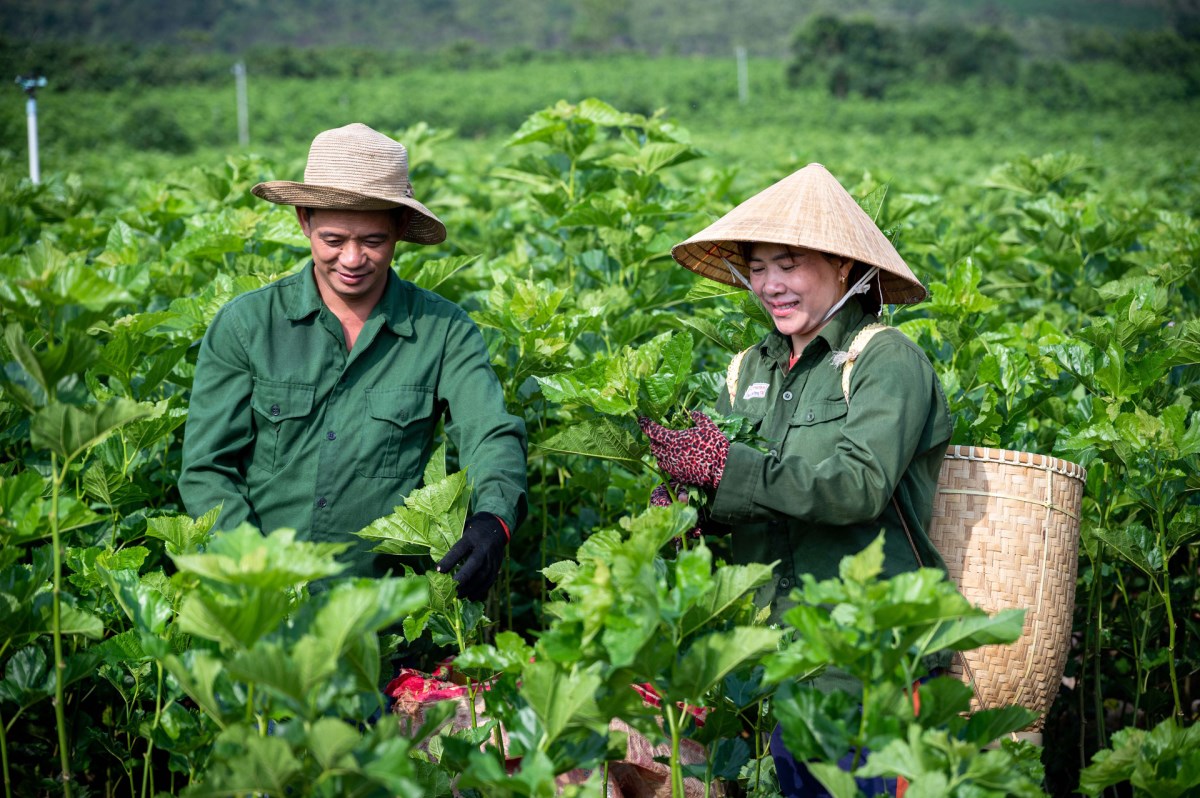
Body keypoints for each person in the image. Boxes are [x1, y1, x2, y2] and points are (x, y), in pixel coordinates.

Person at [638, 163, 951, 797]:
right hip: (786, 669)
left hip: (872, 669)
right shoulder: (748, 369)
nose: (771, 285)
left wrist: (726, 467)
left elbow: (858, 485)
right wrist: (687, 500)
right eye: (757, 268)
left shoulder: (885, 359)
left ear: (843, 266)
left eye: (789, 264)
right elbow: (740, 490)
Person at [179, 123, 528, 602]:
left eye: (373, 240)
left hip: (389, 608)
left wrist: (494, 518)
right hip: (261, 603)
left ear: (400, 230)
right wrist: (257, 573)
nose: (352, 258)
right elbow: (207, 470)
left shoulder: (442, 330)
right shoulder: (247, 326)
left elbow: (489, 432)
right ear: (304, 219)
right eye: (333, 238)